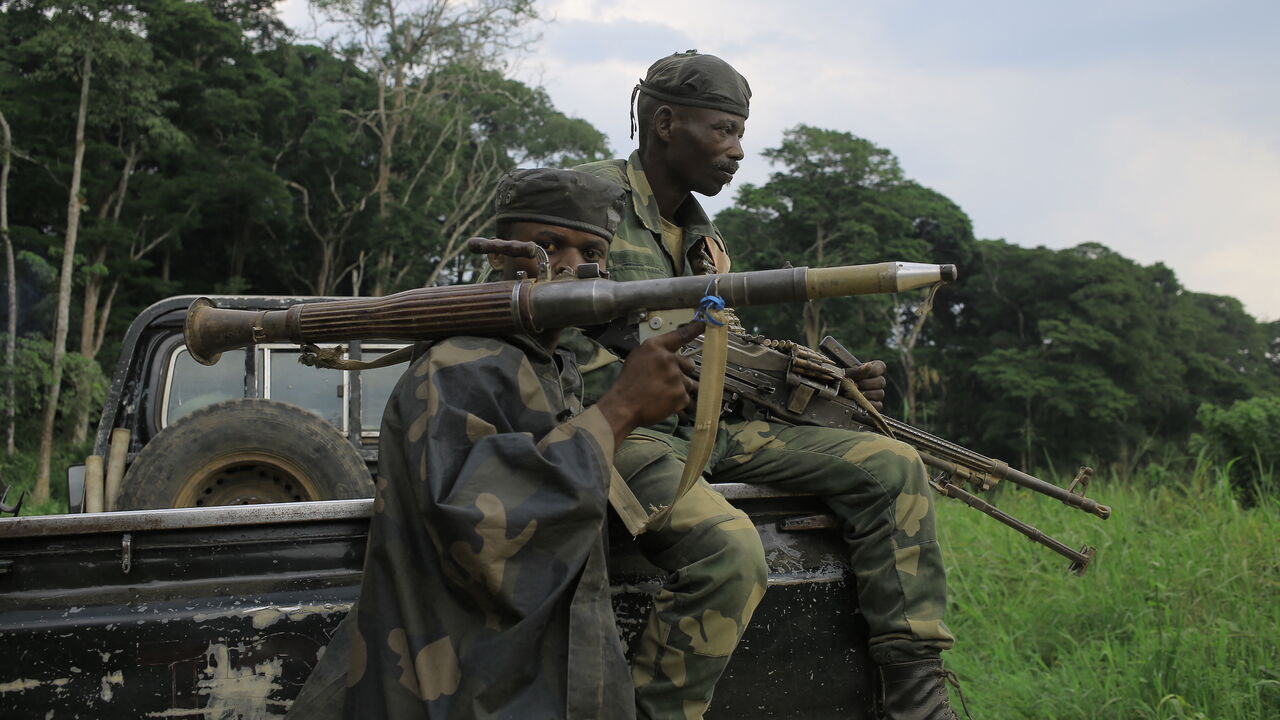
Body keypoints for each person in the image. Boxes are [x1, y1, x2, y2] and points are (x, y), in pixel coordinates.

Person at [563, 51, 964, 720]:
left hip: (710, 428)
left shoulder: (705, 239)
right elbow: (541, 334)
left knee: (892, 467)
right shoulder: (584, 203)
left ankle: (915, 699)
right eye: (722, 131)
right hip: (624, 430)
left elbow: (725, 348)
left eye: (740, 133)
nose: (737, 151)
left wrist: (826, 386)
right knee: (730, 550)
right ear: (666, 123)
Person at [299, 168, 707, 720]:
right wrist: (621, 412)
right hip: (460, 691)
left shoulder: (542, 362)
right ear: (498, 255)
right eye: (546, 244)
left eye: (590, 249)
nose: (568, 263)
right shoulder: (464, 361)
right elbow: (482, 533)